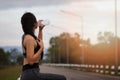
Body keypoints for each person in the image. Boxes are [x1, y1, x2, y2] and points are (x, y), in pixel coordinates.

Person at [20, 12, 66, 80]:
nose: (37, 22)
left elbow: (38, 43)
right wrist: (41, 48)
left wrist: (40, 30)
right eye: (36, 21)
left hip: (32, 73)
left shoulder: (28, 37)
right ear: (34, 23)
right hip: (31, 74)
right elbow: (31, 61)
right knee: (62, 78)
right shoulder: (29, 39)